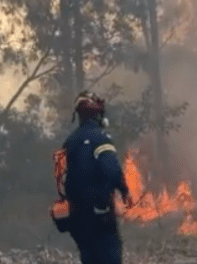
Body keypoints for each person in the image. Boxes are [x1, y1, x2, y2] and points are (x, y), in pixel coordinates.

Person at [61, 91, 131, 264]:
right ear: (98, 114)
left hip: (76, 216)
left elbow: (63, 179)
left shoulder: (69, 142)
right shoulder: (101, 138)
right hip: (100, 213)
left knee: (89, 257)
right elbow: (112, 170)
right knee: (109, 255)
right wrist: (125, 191)